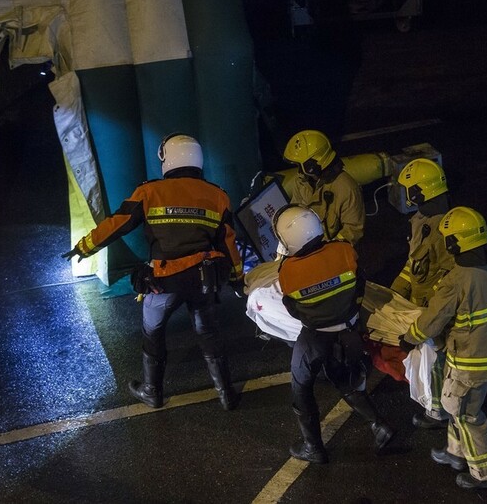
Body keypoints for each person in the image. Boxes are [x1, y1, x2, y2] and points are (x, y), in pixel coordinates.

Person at [63, 133, 245, 411]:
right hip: (203, 280)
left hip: (164, 281)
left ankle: (152, 392)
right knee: (208, 331)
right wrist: (237, 279)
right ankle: (226, 394)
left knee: (153, 330)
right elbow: (228, 243)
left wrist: (84, 247)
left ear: (167, 160)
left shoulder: (148, 192)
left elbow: (116, 224)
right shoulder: (218, 196)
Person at [399, 206, 487, 490]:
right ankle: (455, 453)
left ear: (455, 243)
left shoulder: (458, 279)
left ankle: (486, 473)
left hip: (469, 362)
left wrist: (409, 338)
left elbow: (432, 321)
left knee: (465, 414)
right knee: (462, 406)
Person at [273, 204, 395, 464]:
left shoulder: (289, 271)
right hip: (350, 332)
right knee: (345, 380)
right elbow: (360, 285)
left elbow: (294, 309)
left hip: (315, 338)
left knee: (301, 388)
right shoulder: (344, 250)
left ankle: (313, 447)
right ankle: (379, 425)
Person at [391, 158, 454, 430]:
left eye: (410, 191)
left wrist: (428, 315)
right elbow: (414, 263)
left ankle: (438, 412)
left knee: (439, 359)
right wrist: (397, 291)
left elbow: (451, 281)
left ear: (420, 193)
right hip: (421, 306)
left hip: (434, 311)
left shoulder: (445, 230)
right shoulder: (421, 221)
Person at [283, 129, 365, 248]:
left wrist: (327, 251)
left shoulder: (346, 188)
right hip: (306, 246)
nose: (299, 171)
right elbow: (295, 211)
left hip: (334, 252)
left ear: (312, 165)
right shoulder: (302, 181)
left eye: (300, 165)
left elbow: (353, 230)